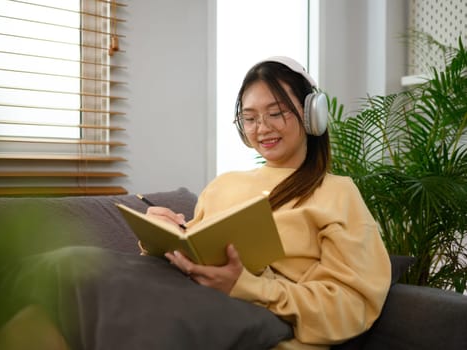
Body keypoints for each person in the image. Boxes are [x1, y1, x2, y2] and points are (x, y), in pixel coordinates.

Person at [146, 56, 392, 350]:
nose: (262, 128)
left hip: (262, 336)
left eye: (275, 113)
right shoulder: (223, 184)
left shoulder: (338, 194)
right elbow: (192, 255)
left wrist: (249, 287)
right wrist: (160, 237)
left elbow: (353, 308)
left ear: (312, 113)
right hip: (198, 315)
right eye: (250, 119)